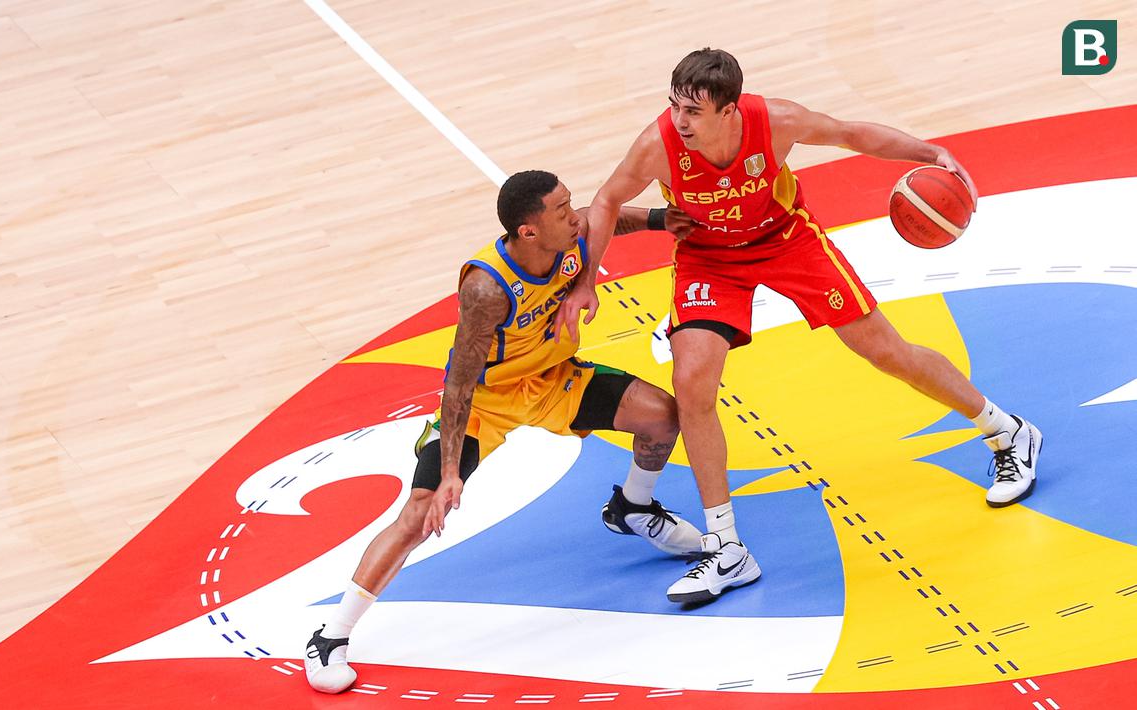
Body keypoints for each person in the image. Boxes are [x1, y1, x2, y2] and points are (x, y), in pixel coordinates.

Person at [556, 48, 1042, 605]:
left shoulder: (776, 121)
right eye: (675, 106)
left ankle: (1008, 430)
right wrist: (586, 280)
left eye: (693, 110)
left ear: (730, 110)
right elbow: (608, 200)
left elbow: (849, 134)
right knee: (693, 388)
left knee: (887, 352)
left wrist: (929, 150)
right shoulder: (658, 144)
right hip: (710, 260)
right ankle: (728, 548)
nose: (680, 120)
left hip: (787, 241)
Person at [305, 170, 703, 694]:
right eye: (561, 210)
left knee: (662, 416)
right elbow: (458, 385)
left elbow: (607, 218)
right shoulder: (487, 289)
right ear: (528, 231)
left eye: (568, 203)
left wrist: (659, 220)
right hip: (484, 403)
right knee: (421, 510)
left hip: (553, 379)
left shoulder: (569, 237)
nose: (574, 214)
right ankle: (332, 634)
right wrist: (450, 473)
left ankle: (632, 507)